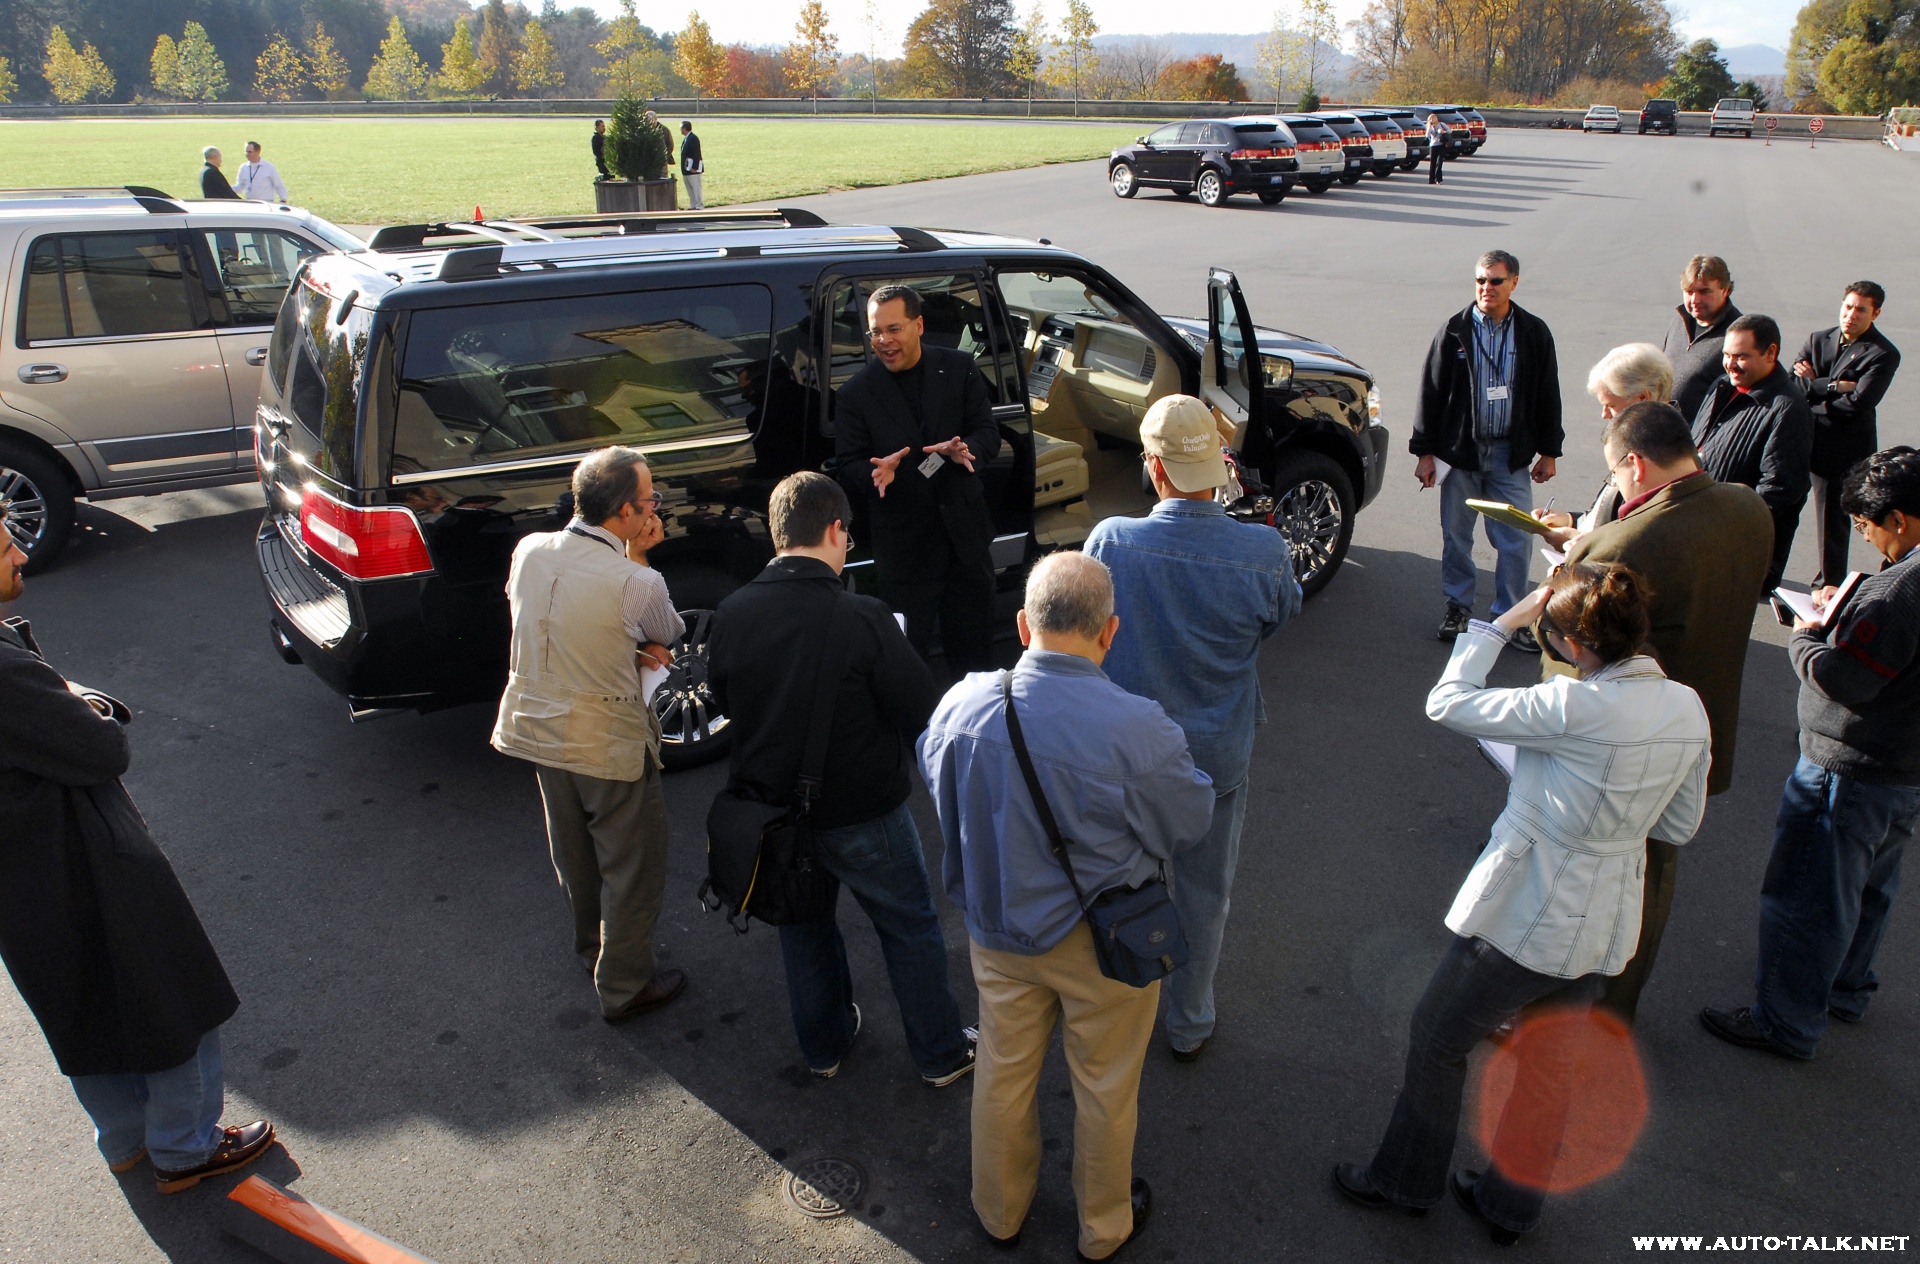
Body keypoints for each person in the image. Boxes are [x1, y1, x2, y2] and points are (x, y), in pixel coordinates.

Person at [1335, 564, 1708, 1245]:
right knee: (1549, 1062)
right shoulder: (1686, 706)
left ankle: (1406, 1180)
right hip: (1606, 920)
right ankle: (1511, 1204)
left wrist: (1498, 624)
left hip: (1527, 911)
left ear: (1572, 644)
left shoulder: (1567, 705)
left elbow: (1446, 703)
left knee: (1438, 1038)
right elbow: (1678, 826)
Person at [920, 552, 1215, 1260]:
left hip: (996, 934)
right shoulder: (1137, 727)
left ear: (1023, 624)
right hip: (1103, 944)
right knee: (1107, 1088)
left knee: (1002, 1070)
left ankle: (999, 1213)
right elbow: (1188, 822)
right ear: (1109, 632)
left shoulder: (962, 703)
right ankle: (1102, 1228)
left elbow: (937, 783)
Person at [0, 516, 274, 1194]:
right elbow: (100, 748)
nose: (21, 554)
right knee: (171, 999)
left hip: (19, 878)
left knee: (80, 1002)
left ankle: (125, 1141)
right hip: (80, 855)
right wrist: (83, 701)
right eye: (5, 546)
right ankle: (185, 1146)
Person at [706, 472, 976, 1086]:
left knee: (804, 930)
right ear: (836, 531)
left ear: (778, 536)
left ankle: (824, 1047)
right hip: (866, 812)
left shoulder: (731, 613)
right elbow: (922, 711)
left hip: (775, 819)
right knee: (908, 928)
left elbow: (727, 697)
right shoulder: (864, 616)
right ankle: (939, 1053)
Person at [1536, 402, 1773, 1022]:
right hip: (1699, 730)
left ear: (1635, 464)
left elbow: (1562, 638)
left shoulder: (1630, 539)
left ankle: (1565, 1007)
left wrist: (1570, 569)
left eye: (1616, 472)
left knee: (1585, 876)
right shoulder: (1749, 508)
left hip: (1623, 743)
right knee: (1656, 872)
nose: (1615, 483)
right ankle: (1619, 1008)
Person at [1083, 394, 1299, 1062]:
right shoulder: (1262, 550)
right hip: (1216, 754)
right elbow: (1281, 616)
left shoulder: (1111, 541)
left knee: (1118, 885)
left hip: (1125, 756)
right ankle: (1190, 1021)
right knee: (1206, 894)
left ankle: (1123, 1010)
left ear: (1153, 468)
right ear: (1218, 463)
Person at [1703, 448, 1920, 1061]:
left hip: (1849, 766)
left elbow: (1846, 679)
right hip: (1901, 767)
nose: (1863, 535)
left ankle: (1787, 1019)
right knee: (1870, 888)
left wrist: (1805, 637)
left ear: (1899, 520)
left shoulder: (1900, 591)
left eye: (1865, 524)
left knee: (1809, 896)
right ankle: (1846, 988)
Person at [490, 447, 687, 1022]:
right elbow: (668, 631)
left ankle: (592, 949)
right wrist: (642, 558)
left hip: (536, 729)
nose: (655, 509)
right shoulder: (635, 580)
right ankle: (625, 984)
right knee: (632, 862)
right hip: (606, 739)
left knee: (573, 852)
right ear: (627, 512)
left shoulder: (529, 551)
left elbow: (551, 616)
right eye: (650, 501)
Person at [834, 284, 1001, 676]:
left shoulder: (958, 368)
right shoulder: (856, 395)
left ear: (919, 325)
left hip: (965, 541)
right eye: (876, 332)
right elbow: (848, 466)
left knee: (975, 655)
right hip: (906, 552)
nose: (884, 341)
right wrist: (876, 472)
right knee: (907, 661)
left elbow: (987, 433)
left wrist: (964, 451)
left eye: (894, 329)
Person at [1411, 249, 1563, 644]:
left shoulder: (1533, 332)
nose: (1486, 288)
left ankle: (1508, 621)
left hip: (1508, 457)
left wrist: (1549, 451)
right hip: (1460, 455)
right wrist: (1425, 452)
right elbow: (1430, 391)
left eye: (1495, 281)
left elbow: (1548, 395)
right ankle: (1457, 607)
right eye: (1480, 280)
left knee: (1515, 541)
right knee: (1457, 538)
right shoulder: (1454, 330)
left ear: (1514, 282)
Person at [1691, 313, 1815, 592]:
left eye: (1741, 357)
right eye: (1726, 355)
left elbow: (1779, 491)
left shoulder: (1787, 409)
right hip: (1696, 532)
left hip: (1732, 551)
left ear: (1771, 352)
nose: (1730, 365)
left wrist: (1720, 531)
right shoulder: (1722, 385)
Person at [1794, 282, 1902, 587]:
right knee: (1784, 507)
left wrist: (1813, 387)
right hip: (1803, 441)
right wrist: (1832, 386)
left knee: (1833, 522)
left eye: (1861, 309)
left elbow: (1858, 403)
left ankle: (1829, 583)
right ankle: (1769, 573)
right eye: (1848, 306)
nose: (1851, 315)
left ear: (1875, 313)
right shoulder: (1818, 340)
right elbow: (1794, 385)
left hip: (1841, 452)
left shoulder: (1883, 353)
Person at [1574, 343, 1674, 529]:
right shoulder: (1646, 437)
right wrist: (1572, 521)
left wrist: (1581, 541)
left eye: (1611, 405)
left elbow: (1633, 527)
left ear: (1643, 397)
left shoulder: (1658, 453)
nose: (1604, 415)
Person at [1662, 255, 1743, 420]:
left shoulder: (1738, 335)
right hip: (1664, 429)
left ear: (1725, 290)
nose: (1695, 300)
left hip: (1699, 439)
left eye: (1704, 291)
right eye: (1689, 292)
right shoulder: (1680, 320)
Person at [680, 121, 704, 209]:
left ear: (684, 128)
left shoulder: (693, 138)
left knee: (696, 187)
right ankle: (693, 204)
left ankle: (699, 204)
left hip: (693, 169)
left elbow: (696, 153)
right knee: (690, 188)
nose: (680, 130)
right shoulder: (686, 138)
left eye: (681, 128)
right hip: (687, 169)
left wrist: (695, 167)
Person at [1425, 112, 1448, 184]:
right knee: (1432, 163)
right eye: (1431, 118)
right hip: (1433, 146)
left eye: (1434, 117)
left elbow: (1450, 131)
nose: (1432, 119)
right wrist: (1429, 127)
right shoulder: (1429, 126)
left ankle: (1438, 179)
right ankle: (1431, 179)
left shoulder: (1441, 124)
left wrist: (1443, 131)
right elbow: (1427, 135)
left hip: (1441, 145)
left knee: (1439, 162)